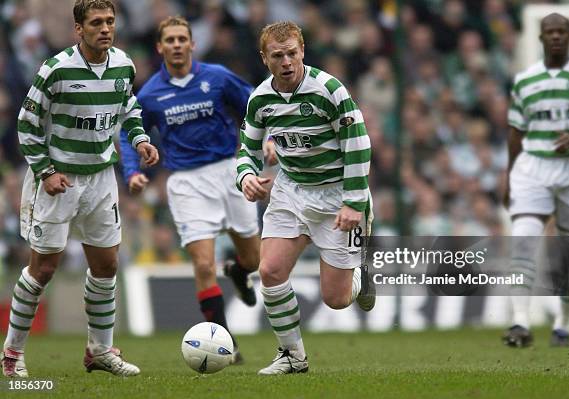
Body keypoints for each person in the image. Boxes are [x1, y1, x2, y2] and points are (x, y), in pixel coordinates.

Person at [1, 0, 159, 378]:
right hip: (59, 179)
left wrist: (139, 141)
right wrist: (46, 171)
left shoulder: (123, 64)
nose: (105, 28)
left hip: (102, 179)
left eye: (109, 21)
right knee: (43, 267)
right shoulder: (56, 69)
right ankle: (12, 354)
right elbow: (26, 124)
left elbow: (129, 110)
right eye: (96, 23)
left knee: (106, 264)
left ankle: (99, 350)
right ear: (78, 29)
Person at [119, 16, 271, 363]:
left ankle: (238, 272)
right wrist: (131, 172)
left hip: (229, 172)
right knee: (203, 265)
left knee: (254, 259)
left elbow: (254, 103)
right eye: (169, 39)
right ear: (160, 47)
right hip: (186, 182)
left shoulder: (216, 77)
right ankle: (225, 345)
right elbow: (130, 132)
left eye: (181, 39)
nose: (175, 44)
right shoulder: (150, 94)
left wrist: (270, 137)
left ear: (191, 44)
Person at [237, 21, 375, 375]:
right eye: (278, 55)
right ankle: (292, 356)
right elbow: (247, 149)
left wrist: (353, 202)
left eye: (292, 53)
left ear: (303, 52)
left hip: (336, 195)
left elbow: (358, 143)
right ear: (265, 58)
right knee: (269, 270)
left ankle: (362, 270)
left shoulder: (329, 89)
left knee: (337, 299)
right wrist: (247, 176)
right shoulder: (260, 98)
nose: (286, 62)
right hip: (291, 190)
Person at [503, 13, 569, 348]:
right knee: (523, 238)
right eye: (549, 32)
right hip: (533, 167)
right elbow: (516, 132)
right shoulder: (525, 80)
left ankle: (564, 323)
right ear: (540, 37)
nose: (555, 37)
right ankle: (520, 322)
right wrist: (509, 177)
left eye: (560, 32)